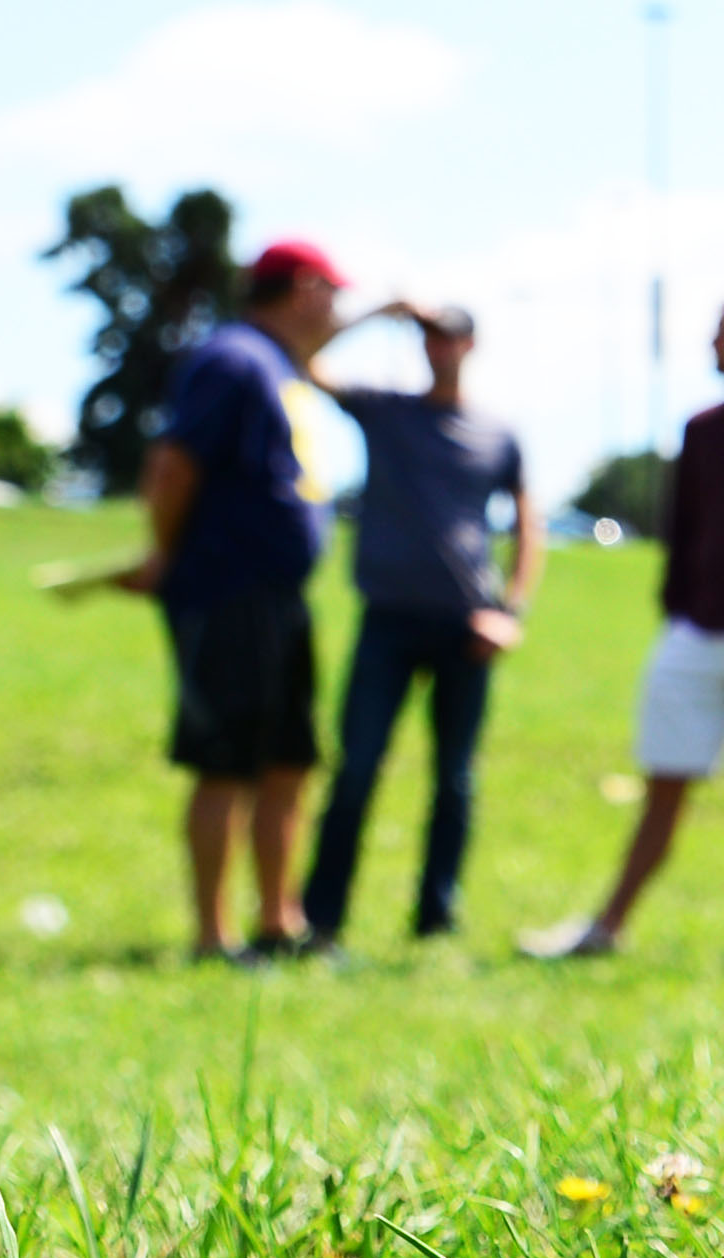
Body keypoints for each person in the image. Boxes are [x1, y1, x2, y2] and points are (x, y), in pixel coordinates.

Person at [526, 294, 724, 962]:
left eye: (723, 334)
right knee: (664, 782)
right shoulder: (701, 431)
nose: (711, 345)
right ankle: (607, 926)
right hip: (697, 630)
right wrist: (679, 607)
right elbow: (684, 529)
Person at [103, 233, 362, 960]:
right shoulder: (231, 359)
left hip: (279, 595)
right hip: (227, 588)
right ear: (303, 288)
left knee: (288, 761)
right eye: (333, 292)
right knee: (227, 762)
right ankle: (212, 938)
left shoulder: (282, 366)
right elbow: (172, 466)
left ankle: (279, 924)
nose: (339, 307)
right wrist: (164, 554)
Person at [296, 298, 539, 945]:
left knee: (454, 779)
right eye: (430, 337)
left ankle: (436, 919)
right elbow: (305, 359)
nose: (441, 348)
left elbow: (526, 523)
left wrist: (510, 612)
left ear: (471, 346)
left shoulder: (497, 431)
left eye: (452, 338)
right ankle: (321, 919)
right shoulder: (385, 410)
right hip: (388, 622)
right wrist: (380, 311)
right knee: (357, 768)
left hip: (468, 627)